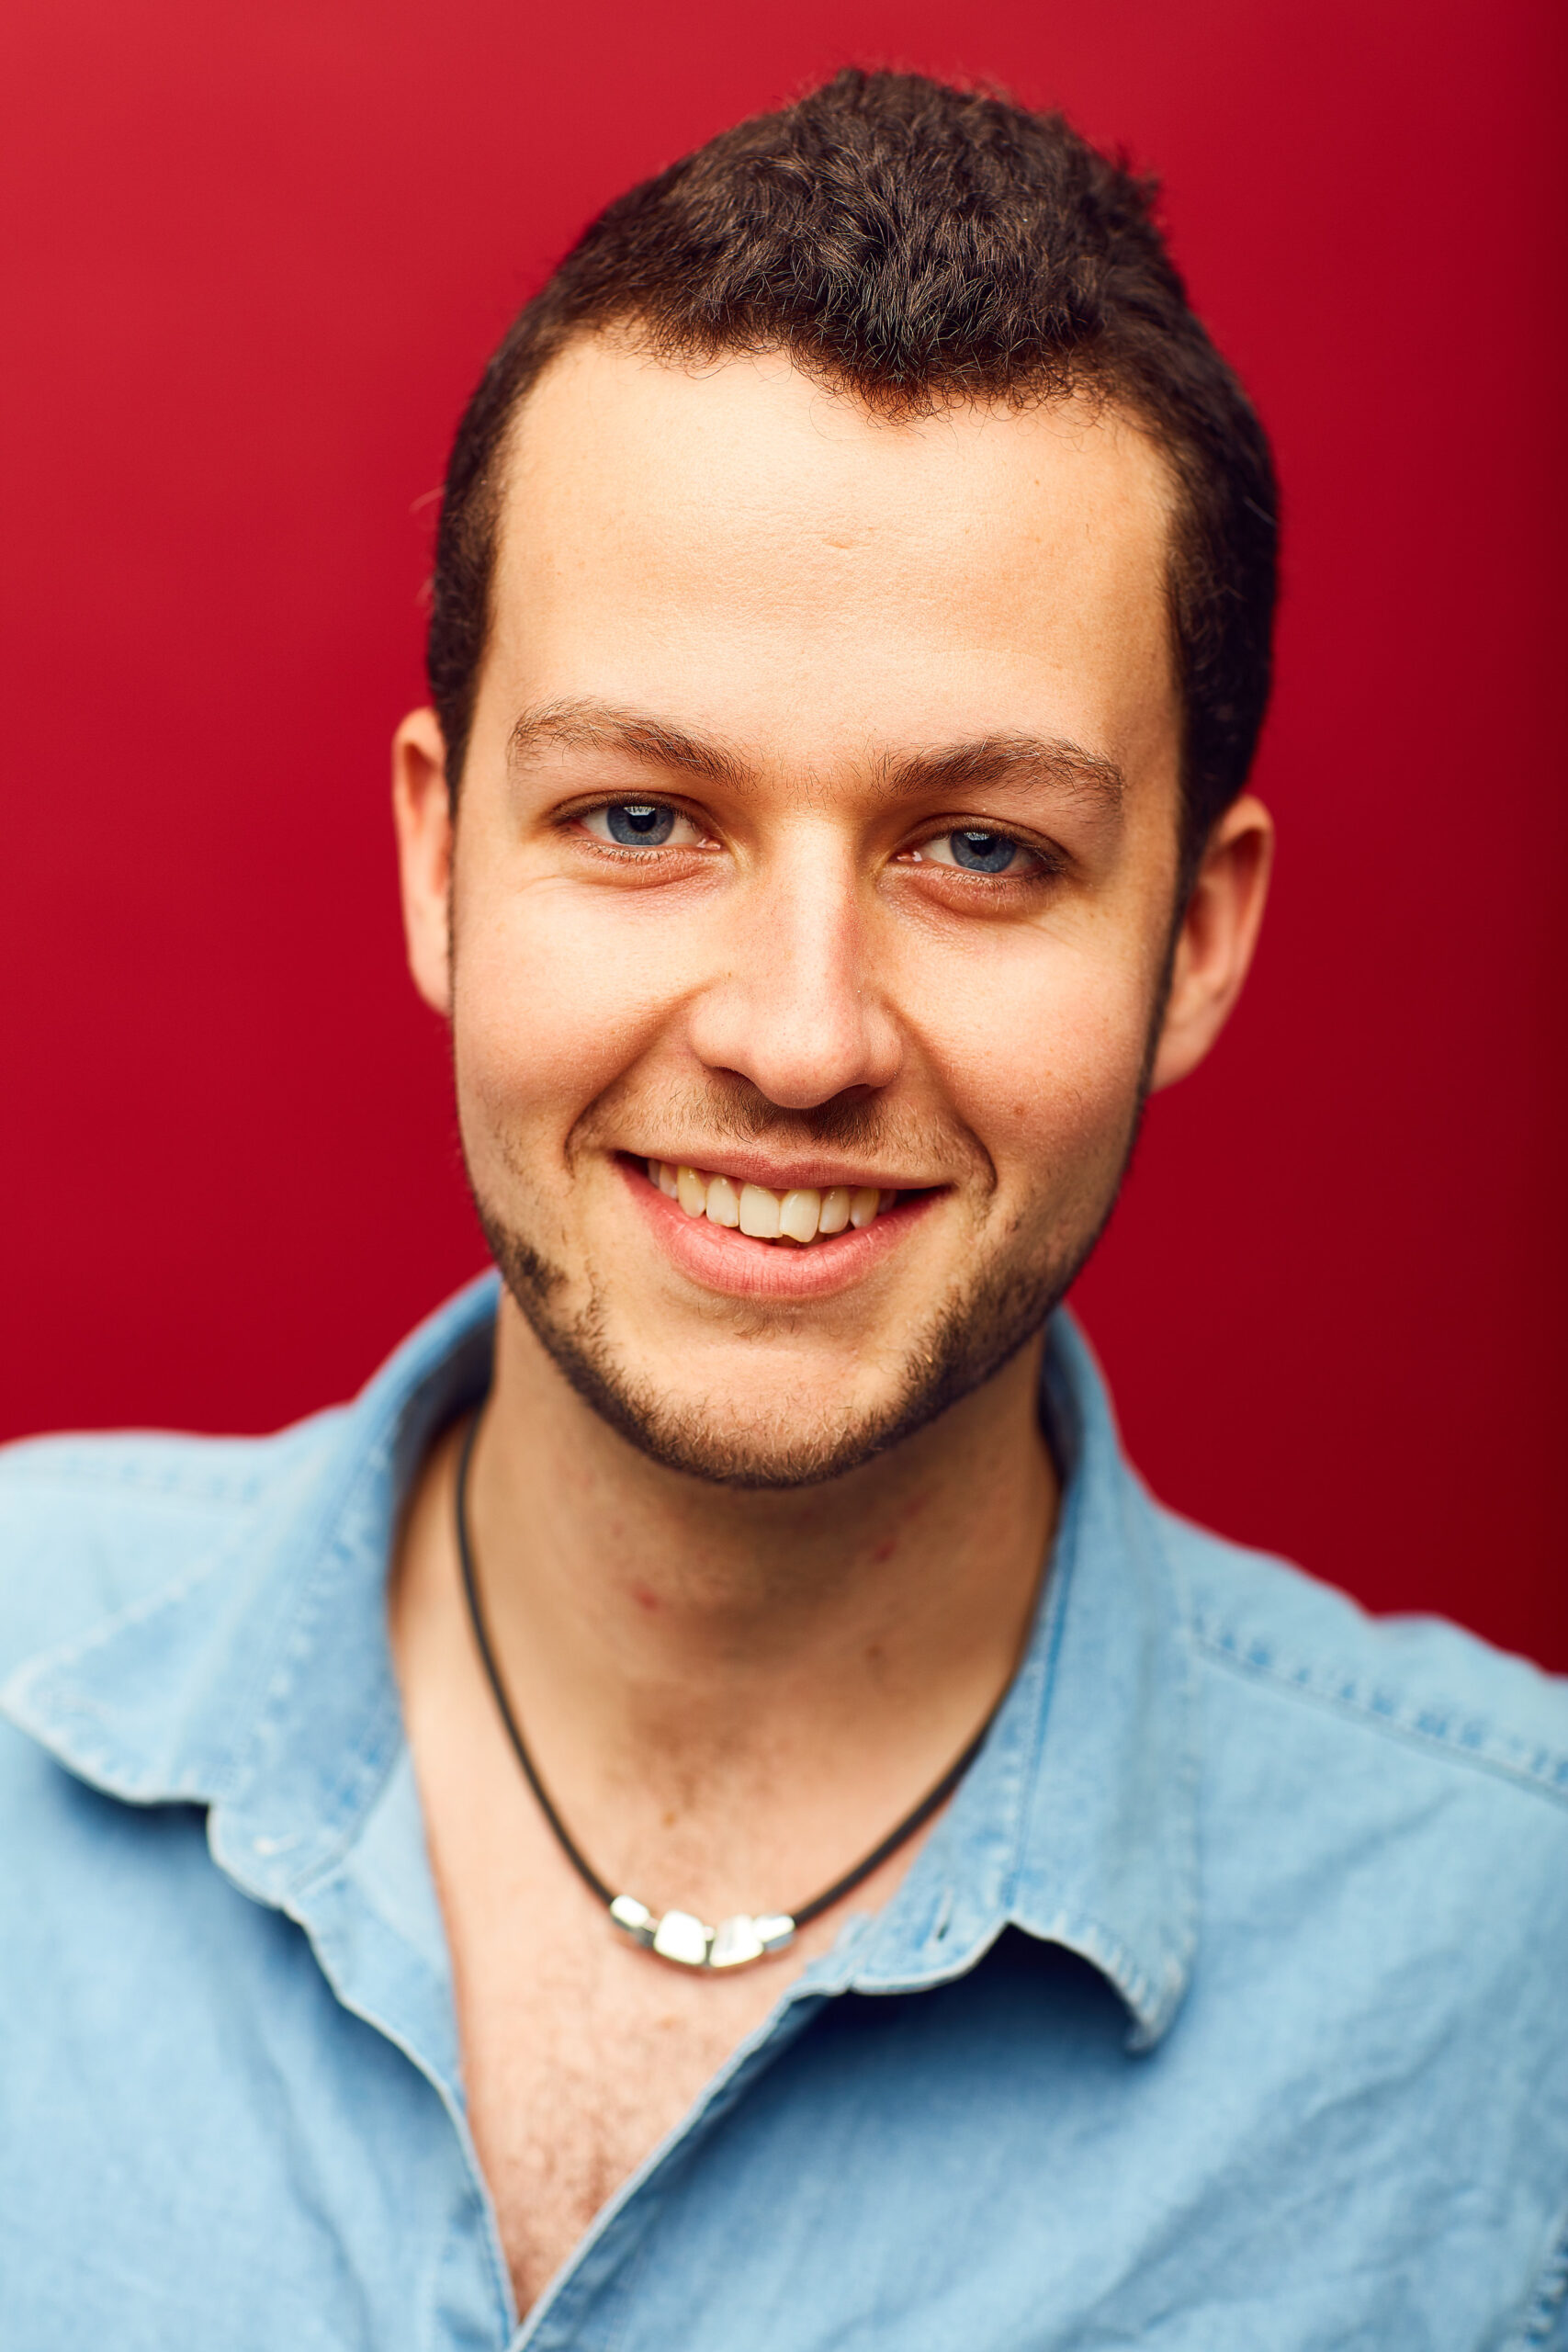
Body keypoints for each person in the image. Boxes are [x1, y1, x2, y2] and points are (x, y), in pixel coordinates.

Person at [2, 66, 1564, 2351]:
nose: (798, 1032)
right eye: (641, 819)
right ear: (438, 860)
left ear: (1194, 940)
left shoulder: (1513, 1977)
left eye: (981, 848)